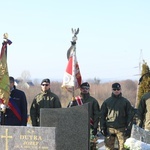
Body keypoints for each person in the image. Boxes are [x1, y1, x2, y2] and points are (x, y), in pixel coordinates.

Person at [100, 83, 133, 150]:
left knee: (123, 147)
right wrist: (102, 127)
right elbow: (102, 115)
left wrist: (129, 127)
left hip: (122, 128)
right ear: (112, 90)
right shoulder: (107, 102)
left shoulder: (125, 102)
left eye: (118, 89)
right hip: (110, 128)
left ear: (120, 90)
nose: (116, 91)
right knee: (109, 148)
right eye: (114, 89)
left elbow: (130, 115)